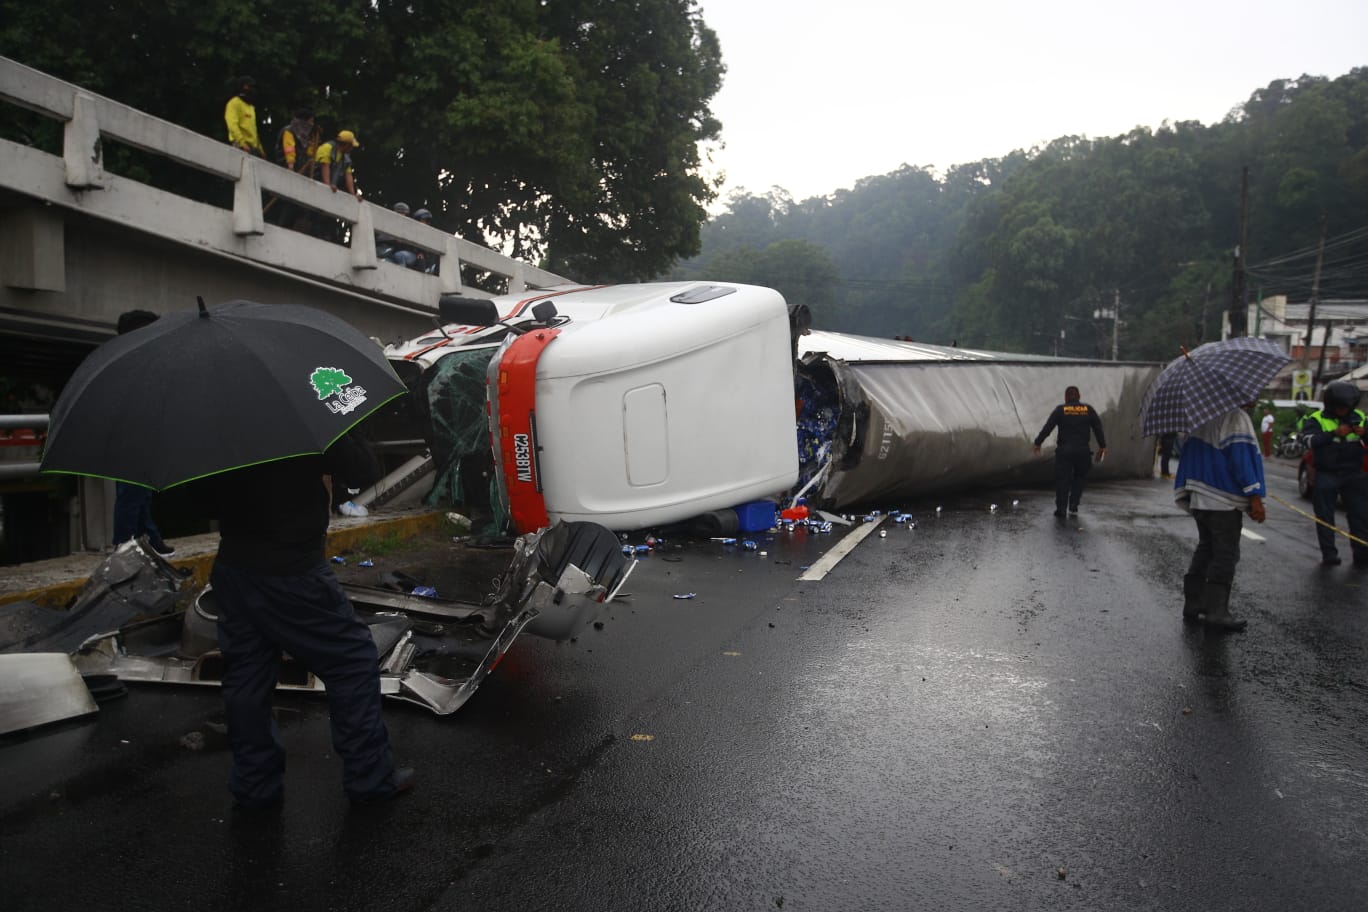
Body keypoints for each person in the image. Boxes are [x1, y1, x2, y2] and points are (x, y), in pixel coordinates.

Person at [201, 452, 413, 808]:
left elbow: (201, 500)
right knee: (352, 659)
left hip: (235, 564)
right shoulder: (295, 410)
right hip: (290, 567)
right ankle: (371, 778)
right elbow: (362, 467)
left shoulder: (214, 424)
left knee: (247, 675)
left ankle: (255, 785)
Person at [1173, 405, 1266, 631]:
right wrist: (1254, 495)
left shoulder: (1200, 415)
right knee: (1225, 554)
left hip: (1199, 494)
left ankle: (1194, 605)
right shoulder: (1235, 416)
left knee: (1206, 549)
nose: (1253, 400)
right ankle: (1217, 612)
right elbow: (1241, 457)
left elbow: (1183, 450)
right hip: (1222, 498)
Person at [111, 310, 174, 557]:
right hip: (130, 432)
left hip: (140, 430)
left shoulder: (135, 358)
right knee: (131, 492)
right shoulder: (124, 360)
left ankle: (149, 538)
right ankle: (124, 545)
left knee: (141, 491)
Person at [1299, 380, 1368, 567]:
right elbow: (1309, 441)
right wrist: (1334, 433)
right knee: (1325, 516)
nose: (1342, 410)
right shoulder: (1317, 419)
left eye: (1346, 407)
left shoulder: (1361, 417)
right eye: (1339, 407)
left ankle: (1362, 555)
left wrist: (1364, 433)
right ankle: (1329, 554)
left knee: (1360, 516)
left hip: (1354, 474)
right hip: (1327, 473)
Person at [1032, 386, 1107, 518]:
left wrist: (1038, 442)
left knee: (1063, 479)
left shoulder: (1061, 410)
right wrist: (1102, 445)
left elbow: (1048, 427)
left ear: (1066, 397)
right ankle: (1073, 503)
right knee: (1080, 477)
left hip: (1064, 451)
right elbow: (1097, 427)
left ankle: (1061, 508)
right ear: (1079, 396)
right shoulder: (1088, 409)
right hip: (1082, 451)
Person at [224, 76, 265, 157]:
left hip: (252, 148)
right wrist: (242, 143)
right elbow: (232, 125)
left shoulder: (250, 107)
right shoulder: (234, 103)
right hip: (240, 145)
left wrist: (260, 149)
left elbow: (253, 129)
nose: (251, 89)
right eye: (248, 86)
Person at [316, 129, 361, 198]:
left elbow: (348, 175)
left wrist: (353, 195)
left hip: (328, 189)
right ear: (346, 145)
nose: (352, 148)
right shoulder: (327, 148)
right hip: (315, 181)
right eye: (351, 146)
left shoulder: (346, 158)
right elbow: (325, 165)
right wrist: (327, 186)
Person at [276, 107, 319, 176]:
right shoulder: (289, 131)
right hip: (285, 170)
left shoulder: (305, 137)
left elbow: (309, 154)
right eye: (311, 121)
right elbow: (289, 150)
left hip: (299, 172)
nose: (312, 124)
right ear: (303, 121)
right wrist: (290, 166)